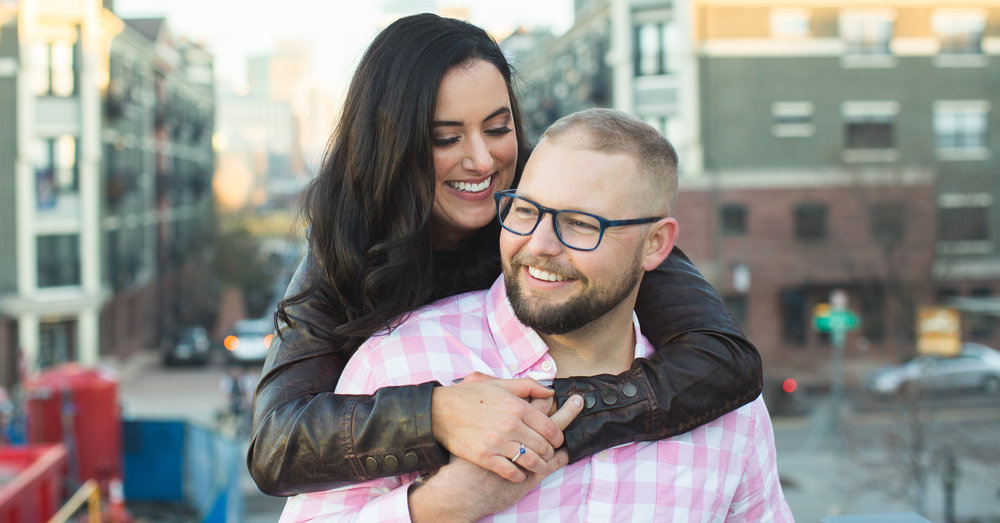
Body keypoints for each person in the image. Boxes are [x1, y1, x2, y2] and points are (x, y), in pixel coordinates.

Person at [249, 13, 763, 496]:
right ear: (391, 145)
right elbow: (276, 443)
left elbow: (724, 361)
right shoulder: (348, 243)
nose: (482, 159)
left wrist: (551, 419)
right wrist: (438, 415)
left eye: (498, 129)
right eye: (446, 138)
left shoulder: (560, 206)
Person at [280, 108, 791, 521]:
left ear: (656, 244)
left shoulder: (729, 415)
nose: (539, 246)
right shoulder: (399, 362)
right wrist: (429, 511)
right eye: (525, 211)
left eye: (580, 224)